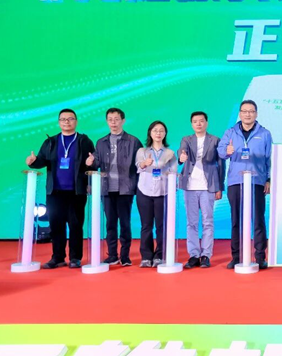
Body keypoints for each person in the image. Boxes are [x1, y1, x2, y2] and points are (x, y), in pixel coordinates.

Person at [26, 109, 95, 269]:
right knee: (56, 225)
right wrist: (32, 161)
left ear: (76, 121)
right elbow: (41, 161)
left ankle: (75, 258)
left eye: (70, 119)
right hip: (55, 192)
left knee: (75, 225)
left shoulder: (84, 141)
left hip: (76, 191)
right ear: (59, 122)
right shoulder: (51, 142)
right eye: (63, 119)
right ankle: (57, 257)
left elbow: (91, 163)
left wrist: (90, 179)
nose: (66, 122)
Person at [218, 100, 273, 270]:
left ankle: (260, 257)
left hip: (257, 181)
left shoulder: (264, 134)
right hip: (236, 181)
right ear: (240, 114)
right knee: (236, 220)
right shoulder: (230, 132)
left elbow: (269, 159)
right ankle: (236, 257)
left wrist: (268, 179)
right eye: (244, 111)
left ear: (256, 114)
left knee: (258, 220)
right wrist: (226, 151)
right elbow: (220, 152)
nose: (248, 114)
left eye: (251, 111)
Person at [85, 108, 143, 266]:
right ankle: (112, 255)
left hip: (125, 188)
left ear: (123, 121)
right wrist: (90, 162)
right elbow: (97, 163)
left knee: (125, 223)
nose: (113, 122)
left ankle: (125, 256)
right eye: (110, 119)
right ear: (106, 121)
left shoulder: (133, 141)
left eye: (116, 119)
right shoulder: (101, 142)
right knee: (110, 223)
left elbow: (140, 164)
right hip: (106, 188)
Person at [178, 111, 225, 269]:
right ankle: (194, 255)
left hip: (208, 186)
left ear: (206, 123)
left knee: (207, 222)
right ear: (192, 124)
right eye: (195, 121)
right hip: (190, 186)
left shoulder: (215, 140)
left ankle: (206, 255)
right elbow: (182, 151)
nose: (198, 124)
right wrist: (182, 157)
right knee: (191, 223)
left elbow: (221, 164)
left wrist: (219, 187)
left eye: (201, 121)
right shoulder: (186, 139)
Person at [135, 121, 177, 268]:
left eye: (161, 131)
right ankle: (146, 257)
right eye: (155, 130)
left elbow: (173, 172)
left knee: (161, 226)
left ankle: (160, 255)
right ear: (150, 133)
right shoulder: (142, 151)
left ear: (165, 134)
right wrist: (145, 163)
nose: (158, 133)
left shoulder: (170, 153)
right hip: (144, 191)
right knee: (146, 225)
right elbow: (138, 166)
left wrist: (163, 165)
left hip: (163, 192)